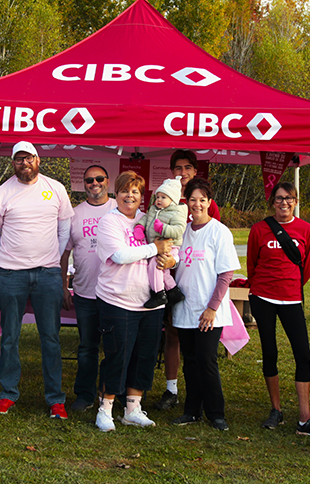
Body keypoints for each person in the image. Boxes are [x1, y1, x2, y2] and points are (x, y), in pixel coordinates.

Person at [0, 141, 74, 418]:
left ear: (38, 159)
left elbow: (64, 230)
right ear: (12, 163)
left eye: (28, 158)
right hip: (11, 275)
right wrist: (13, 258)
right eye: (18, 159)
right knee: (9, 336)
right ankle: (8, 394)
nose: (24, 163)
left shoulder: (56, 189)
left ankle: (55, 399)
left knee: (50, 337)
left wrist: (50, 258)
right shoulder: (1, 193)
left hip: (47, 274)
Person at [247, 182, 310, 438]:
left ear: (296, 201)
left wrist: (290, 286)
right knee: (269, 352)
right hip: (263, 297)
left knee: (303, 355)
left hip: (292, 298)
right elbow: (252, 264)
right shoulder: (259, 230)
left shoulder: (305, 230)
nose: (284, 203)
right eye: (279, 199)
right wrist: (263, 287)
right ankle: (276, 410)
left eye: (289, 199)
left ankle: (304, 418)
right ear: (272, 202)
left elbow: (307, 267)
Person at [94, 171, 174, 432]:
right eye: (125, 191)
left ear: (143, 197)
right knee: (117, 356)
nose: (130, 196)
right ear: (116, 194)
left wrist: (171, 259)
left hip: (150, 302)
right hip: (118, 301)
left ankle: (133, 408)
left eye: (136, 192)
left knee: (144, 356)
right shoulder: (109, 222)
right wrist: (155, 249)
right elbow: (119, 255)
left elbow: (172, 248)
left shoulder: (149, 219)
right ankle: (104, 409)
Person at [170, 178, 240, 431]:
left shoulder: (219, 231)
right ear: (186, 203)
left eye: (202, 199)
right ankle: (192, 410)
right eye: (192, 200)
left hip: (209, 310)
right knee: (189, 361)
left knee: (206, 360)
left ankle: (216, 413)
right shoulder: (182, 231)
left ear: (209, 202)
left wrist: (212, 307)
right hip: (185, 309)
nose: (197, 204)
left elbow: (225, 274)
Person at [154, 149, 220, 411]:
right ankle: (172, 389)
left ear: (195, 171)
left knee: (197, 344)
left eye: (188, 168)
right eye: (178, 168)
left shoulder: (204, 202)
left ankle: (203, 394)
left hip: (194, 278)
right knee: (172, 334)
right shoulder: (164, 197)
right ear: (172, 172)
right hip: (165, 275)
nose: (183, 173)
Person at [60, 165, 117, 413]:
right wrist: (63, 285)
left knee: (114, 348)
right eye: (89, 180)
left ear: (108, 181)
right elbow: (64, 253)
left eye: (99, 178)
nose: (94, 183)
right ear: (83, 184)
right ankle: (84, 395)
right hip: (84, 293)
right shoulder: (74, 214)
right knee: (87, 348)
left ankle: (111, 393)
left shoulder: (120, 208)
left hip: (116, 293)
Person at [137, 176, 187, 309]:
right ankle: (173, 291)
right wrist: (139, 227)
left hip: (170, 246)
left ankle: (158, 294)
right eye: (157, 196)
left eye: (163, 197)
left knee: (155, 265)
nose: (159, 200)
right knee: (163, 271)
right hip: (157, 245)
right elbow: (146, 218)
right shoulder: (154, 209)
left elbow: (179, 230)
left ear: (172, 200)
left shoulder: (177, 212)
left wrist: (162, 229)